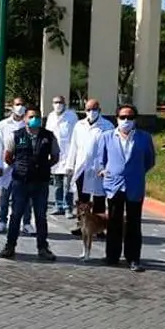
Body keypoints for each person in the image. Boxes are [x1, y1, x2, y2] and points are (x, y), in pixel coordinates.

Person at [97, 104, 155, 272]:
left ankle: (133, 258)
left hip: (134, 185)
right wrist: (104, 171)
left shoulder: (144, 138)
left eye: (130, 117)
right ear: (117, 118)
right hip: (114, 185)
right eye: (122, 117)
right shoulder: (107, 136)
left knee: (133, 223)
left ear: (135, 119)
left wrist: (136, 172)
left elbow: (149, 160)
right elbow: (101, 159)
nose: (126, 120)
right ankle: (112, 256)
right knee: (114, 221)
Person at [0, 105, 59, 261]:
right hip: (21, 181)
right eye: (31, 117)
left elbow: (55, 156)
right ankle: (10, 245)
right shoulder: (16, 135)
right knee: (16, 214)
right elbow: (8, 156)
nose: (34, 119)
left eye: (37, 117)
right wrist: (19, 166)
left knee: (41, 216)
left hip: (41, 182)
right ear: (25, 118)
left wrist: (44, 167)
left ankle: (43, 247)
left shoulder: (49, 136)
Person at [64, 98, 114, 231]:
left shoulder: (107, 126)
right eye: (88, 109)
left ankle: (99, 227)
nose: (91, 112)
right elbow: (74, 146)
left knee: (99, 199)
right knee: (82, 200)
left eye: (94, 109)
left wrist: (108, 167)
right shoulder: (79, 125)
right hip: (82, 168)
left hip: (99, 168)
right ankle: (81, 226)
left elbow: (111, 148)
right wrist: (70, 165)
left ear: (100, 110)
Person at [0, 97, 32, 235]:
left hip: (24, 165)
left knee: (25, 196)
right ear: (12, 106)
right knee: (5, 194)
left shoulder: (29, 124)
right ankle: (2, 220)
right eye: (17, 104)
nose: (20, 107)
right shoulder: (3, 124)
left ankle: (26, 223)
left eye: (22, 104)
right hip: (7, 164)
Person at [46, 95, 78, 217]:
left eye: (60, 102)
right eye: (55, 102)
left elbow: (76, 135)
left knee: (68, 183)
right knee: (57, 183)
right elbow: (48, 134)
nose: (58, 104)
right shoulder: (51, 116)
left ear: (65, 103)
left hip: (69, 154)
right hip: (55, 154)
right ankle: (58, 206)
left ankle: (68, 208)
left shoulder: (72, 116)